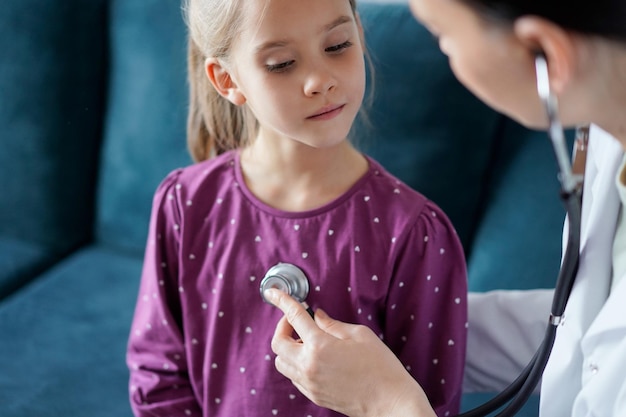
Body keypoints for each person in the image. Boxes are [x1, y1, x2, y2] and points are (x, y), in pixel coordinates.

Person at [264, 0, 626, 416]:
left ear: (545, 55)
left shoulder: (414, 224)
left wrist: (388, 403)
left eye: (443, 35)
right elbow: (588, 323)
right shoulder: (607, 137)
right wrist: (414, 320)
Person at [126, 0, 469, 416]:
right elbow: (158, 376)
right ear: (227, 80)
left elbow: (430, 404)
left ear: (358, 33)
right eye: (282, 63)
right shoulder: (185, 204)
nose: (320, 80)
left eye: (338, 45)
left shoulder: (415, 234)